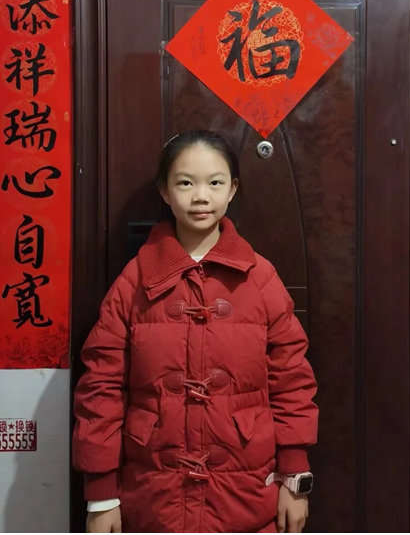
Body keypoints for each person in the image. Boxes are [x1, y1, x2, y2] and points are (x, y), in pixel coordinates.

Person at [73, 130, 318, 533]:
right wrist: (101, 496)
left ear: (232, 189)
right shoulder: (134, 280)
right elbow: (101, 386)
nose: (201, 197)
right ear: (165, 191)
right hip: (152, 496)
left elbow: (291, 380)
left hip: (246, 492)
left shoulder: (260, 278)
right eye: (185, 183)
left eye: (215, 183)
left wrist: (295, 478)